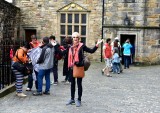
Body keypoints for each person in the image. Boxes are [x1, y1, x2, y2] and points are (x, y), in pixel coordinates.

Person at [66, 32, 102, 107]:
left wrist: (97, 45)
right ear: (72, 38)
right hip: (72, 67)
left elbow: (91, 51)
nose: (75, 38)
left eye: (77, 37)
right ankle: (72, 99)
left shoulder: (82, 46)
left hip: (79, 66)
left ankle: (79, 99)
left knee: (79, 84)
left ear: (79, 38)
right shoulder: (70, 47)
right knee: (72, 84)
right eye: (74, 37)